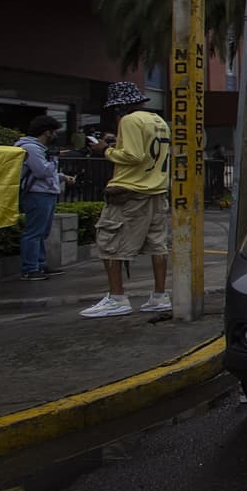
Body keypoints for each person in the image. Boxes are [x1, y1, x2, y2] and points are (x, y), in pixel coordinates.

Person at [81, 81, 173, 319]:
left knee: (110, 243)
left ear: (120, 106)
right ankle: (160, 296)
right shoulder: (158, 121)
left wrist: (105, 150)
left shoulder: (130, 120)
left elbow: (133, 156)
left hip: (131, 192)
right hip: (157, 190)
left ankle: (117, 298)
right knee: (157, 244)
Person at [14, 115, 75, 281]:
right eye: (54, 132)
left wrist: (62, 176)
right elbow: (42, 171)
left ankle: (39, 264)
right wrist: (54, 157)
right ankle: (30, 268)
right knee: (34, 232)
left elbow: (47, 172)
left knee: (42, 232)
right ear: (47, 132)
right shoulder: (31, 148)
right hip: (37, 194)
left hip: (45, 193)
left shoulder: (40, 149)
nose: (55, 136)